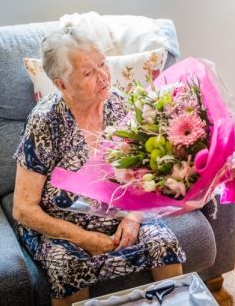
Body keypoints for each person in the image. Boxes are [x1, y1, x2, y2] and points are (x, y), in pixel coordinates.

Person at [13, 21, 184, 306]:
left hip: (118, 212)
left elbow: (143, 177)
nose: (104, 76)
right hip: (61, 224)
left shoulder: (119, 104)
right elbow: (23, 207)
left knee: (163, 242)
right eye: (89, 73)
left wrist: (132, 218)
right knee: (69, 267)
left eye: (102, 64)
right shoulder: (46, 122)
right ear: (61, 84)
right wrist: (83, 237)